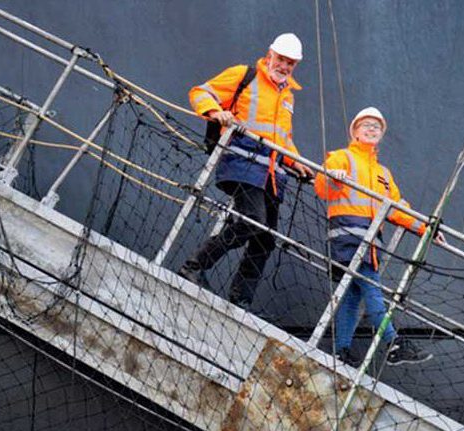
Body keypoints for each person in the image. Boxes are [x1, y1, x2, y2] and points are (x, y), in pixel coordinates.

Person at [179, 33, 313, 310]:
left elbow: (281, 139)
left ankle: (240, 299)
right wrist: (216, 112)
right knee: (252, 220)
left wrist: (296, 161)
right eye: (281, 59)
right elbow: (201, 92)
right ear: (270, 54)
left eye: (291, 63)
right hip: (242, 163)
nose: (285, 66)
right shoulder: (245, 75)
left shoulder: (287, 95)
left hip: (271, 175)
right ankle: (194, 265)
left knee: (265, 241)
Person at [314, 107, 442, 367]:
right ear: (355, 131)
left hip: (369, 242)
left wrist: (425, 229)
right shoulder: (342, 158)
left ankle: (341, 350)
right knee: (371, 287)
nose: (371, 129)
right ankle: (393, 342)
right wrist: (333, 177)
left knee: (352, 296)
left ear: (381, 134)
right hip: (348, 237)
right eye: (366, 125)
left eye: (377, 127)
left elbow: (397, 209)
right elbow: (322, 186)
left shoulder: (383, 173)